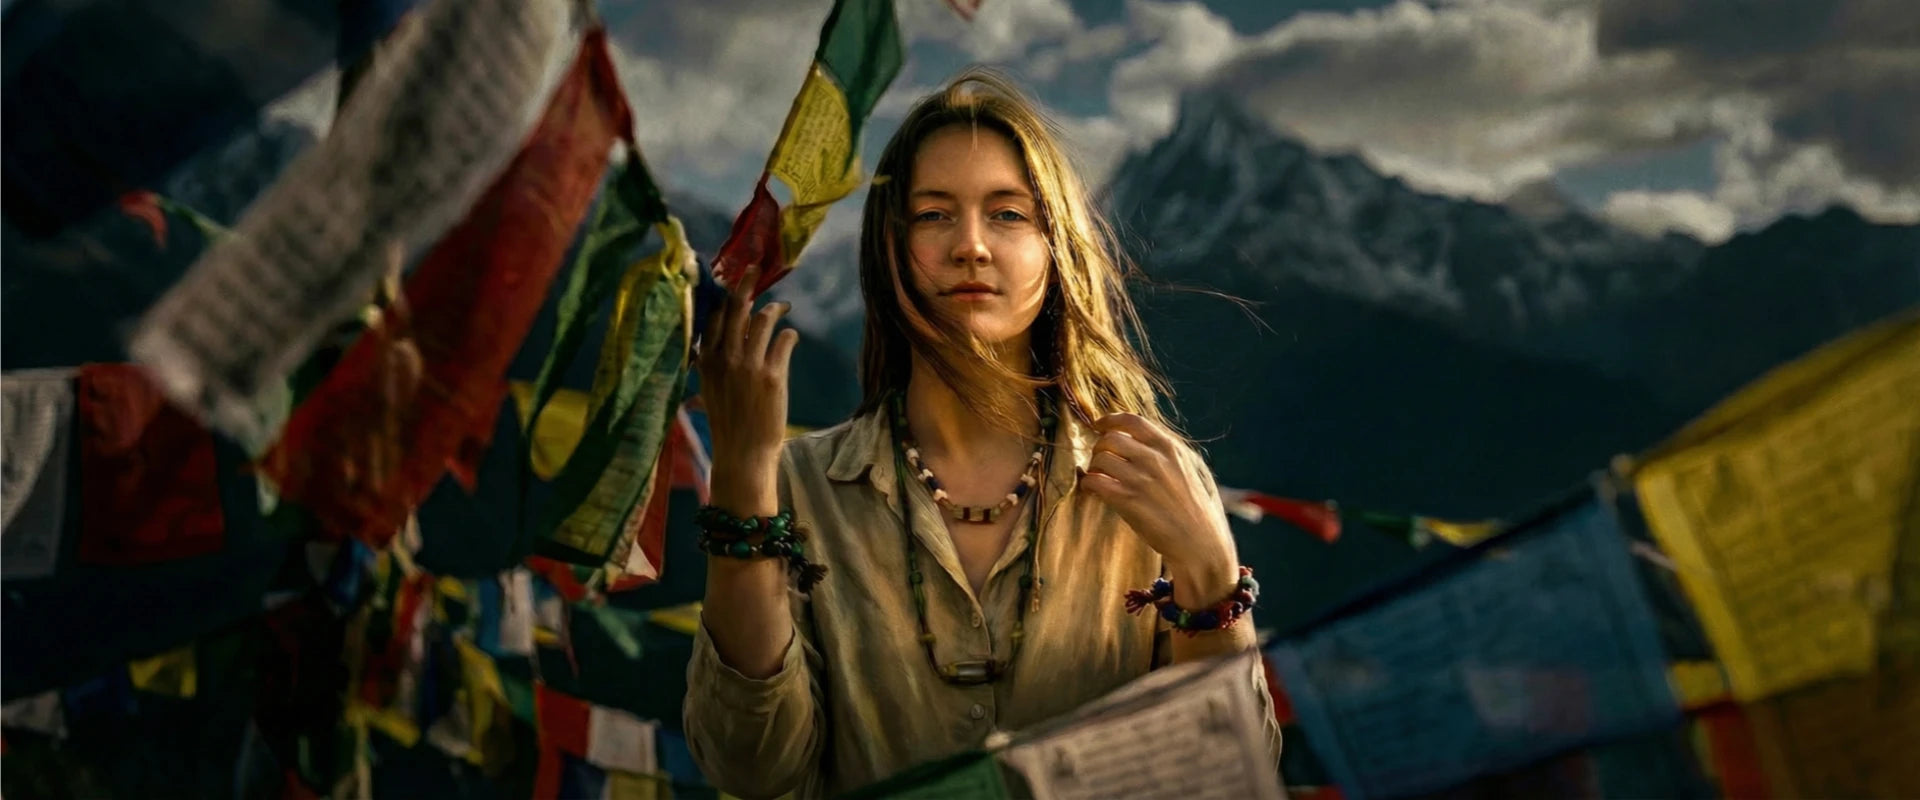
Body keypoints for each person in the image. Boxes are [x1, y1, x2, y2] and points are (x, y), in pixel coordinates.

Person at [683, 68, 1281, 799]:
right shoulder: (799, 488)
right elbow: (751, 767)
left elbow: (1226, 776)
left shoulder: (1150, 480)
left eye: (1008, 215)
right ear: (891, 247)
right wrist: (744, 476)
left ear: (1055, 244)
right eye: (934, 215)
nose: (971, 245)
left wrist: (1212, 575)